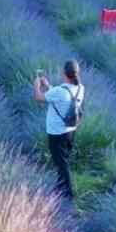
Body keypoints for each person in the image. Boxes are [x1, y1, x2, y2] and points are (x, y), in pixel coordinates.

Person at [33, 60, 84, 200]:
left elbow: (39, 98)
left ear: (63, 73)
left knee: (61, 163)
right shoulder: (80, 88)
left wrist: (37, 86)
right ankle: (60, 186)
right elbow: (61, 97)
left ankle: (68, 194)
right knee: (63, 159)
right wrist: (48, 85)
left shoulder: (60, 91)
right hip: (71, 130)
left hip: (57, 133)